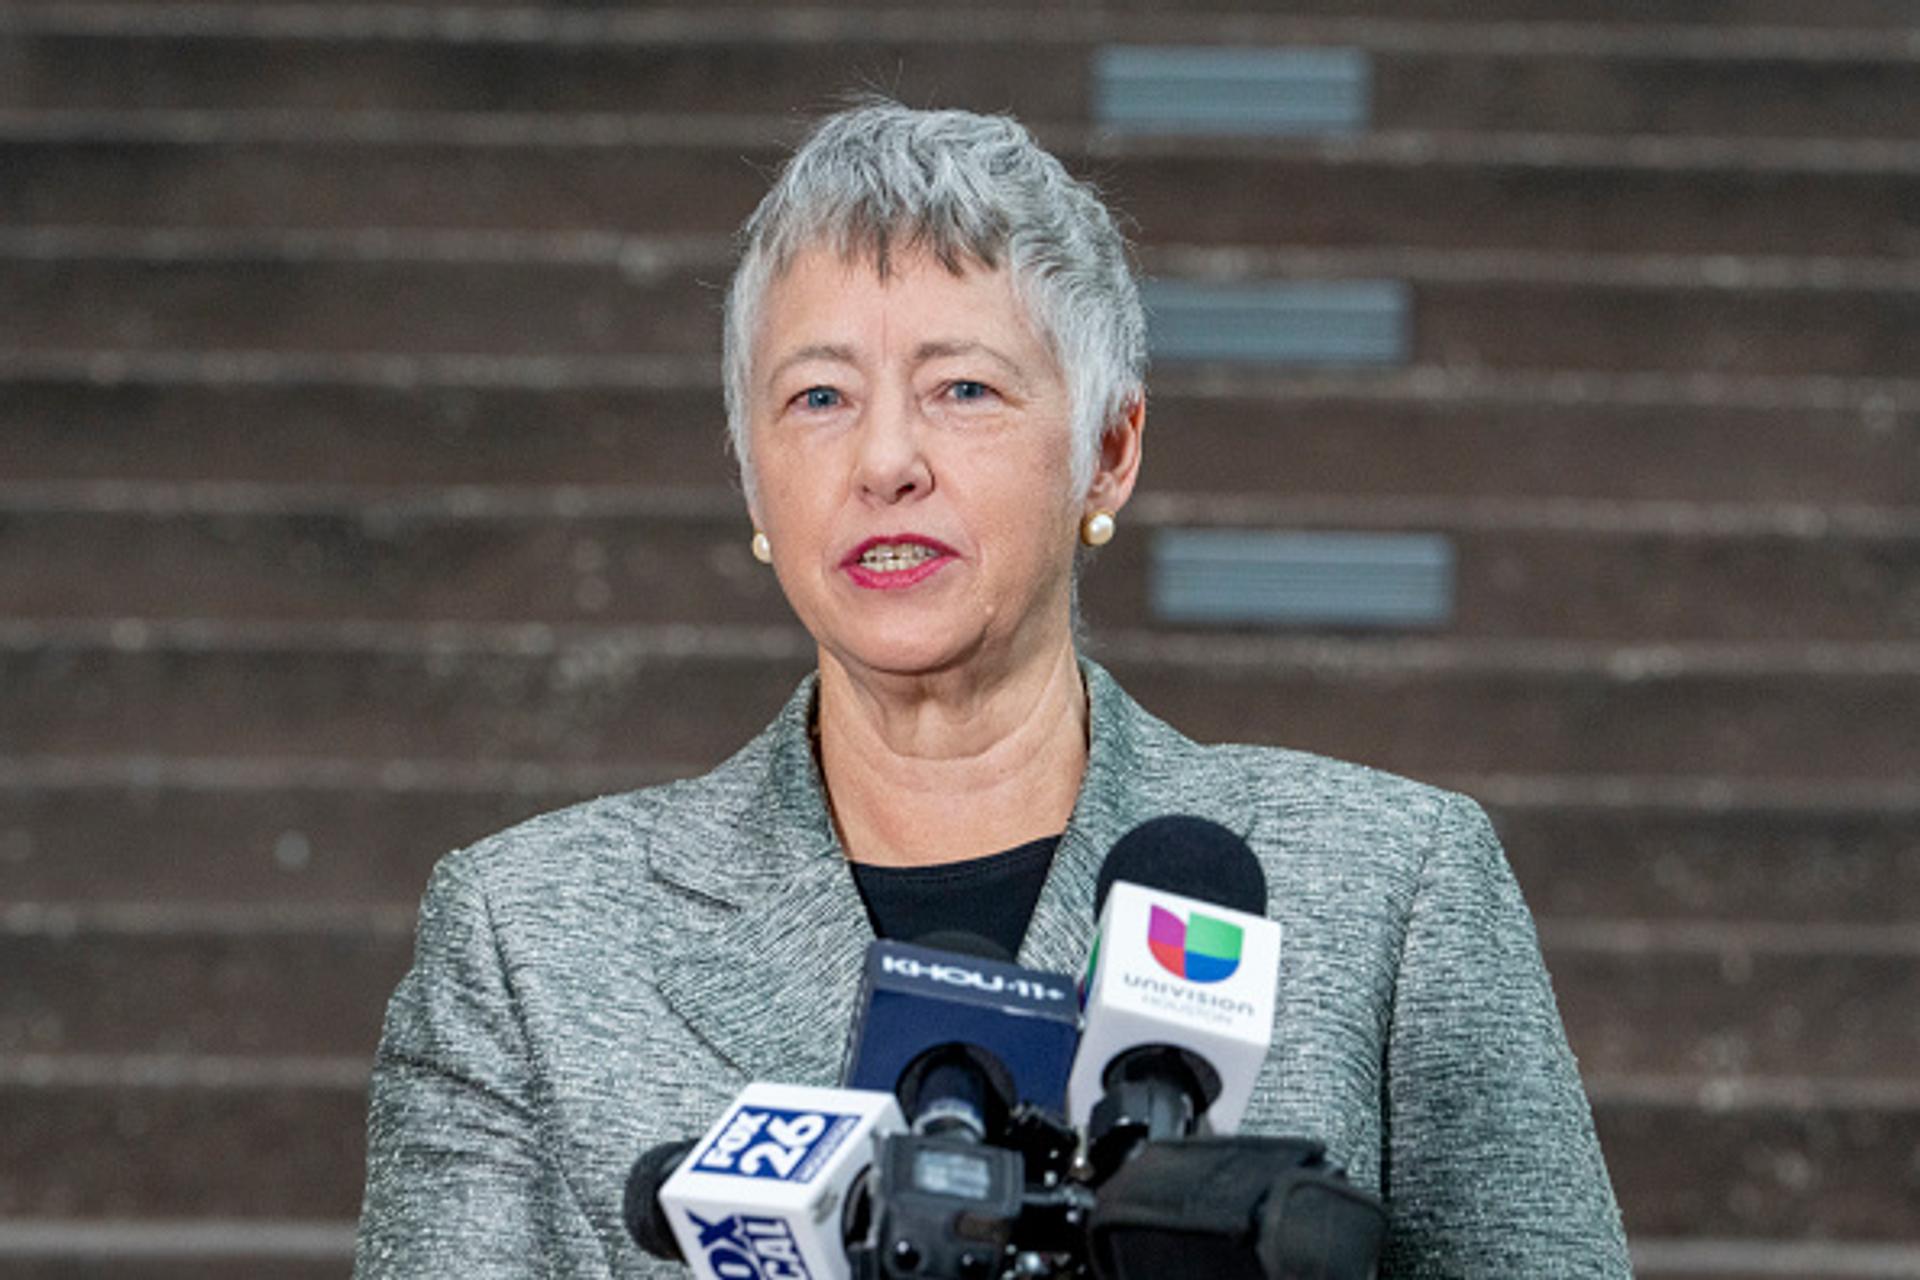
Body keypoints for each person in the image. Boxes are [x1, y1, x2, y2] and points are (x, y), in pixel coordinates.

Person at [354, 100, 1631, 1277]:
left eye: (963, 388)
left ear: (1110, 453)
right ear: (752, 480)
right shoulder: (529, 937)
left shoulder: (1390, 890)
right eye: (818, 396)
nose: (886, 459)